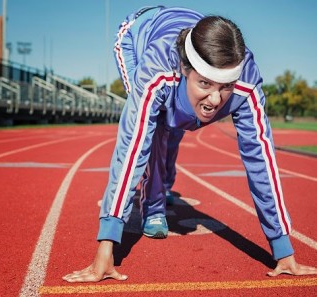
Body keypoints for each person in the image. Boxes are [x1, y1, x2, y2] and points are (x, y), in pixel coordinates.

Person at [63, 6, 317, 282]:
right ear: (185, 68)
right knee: (157, 126)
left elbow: (261, 162)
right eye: (205, 83)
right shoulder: (156, 71)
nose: (216, 100)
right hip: (138, 35)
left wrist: (282, 248)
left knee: (177, 126)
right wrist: (107, 244)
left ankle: (164, 182)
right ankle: (154, 204)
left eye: (225, 86)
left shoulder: (247, 84)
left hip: (186, 39)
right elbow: (132, 146)